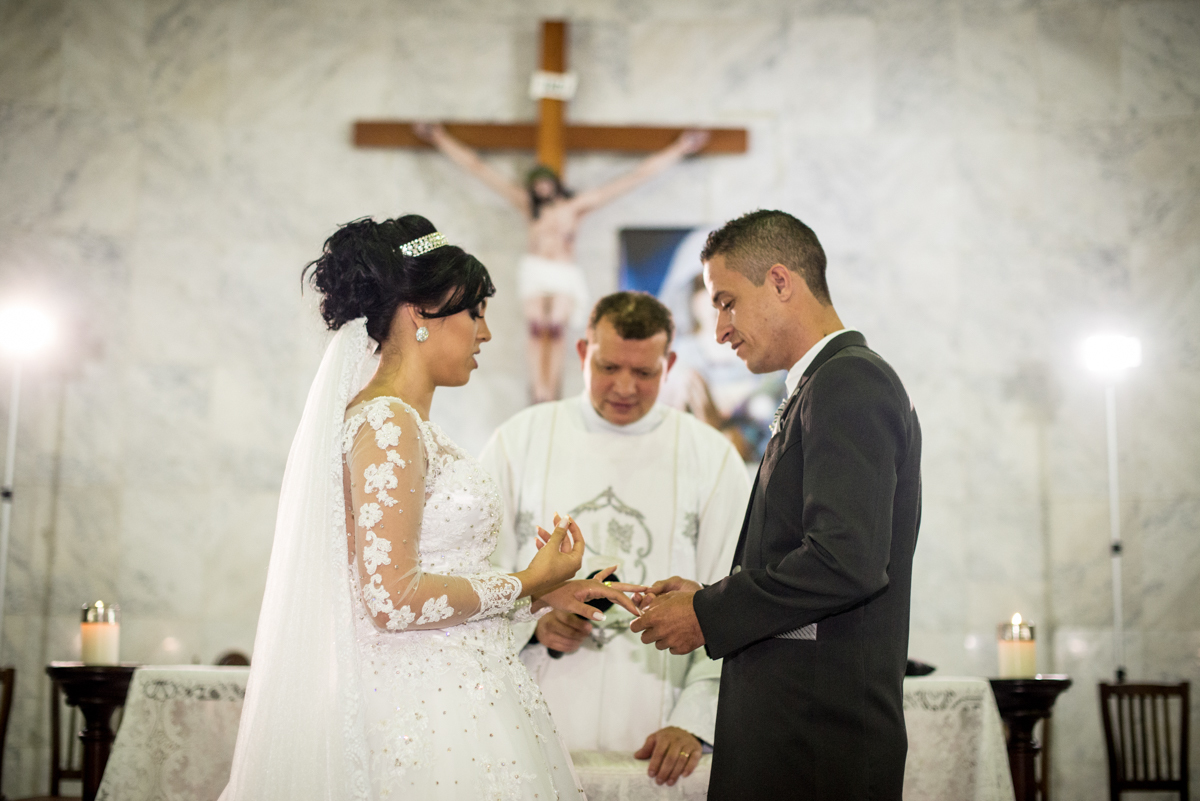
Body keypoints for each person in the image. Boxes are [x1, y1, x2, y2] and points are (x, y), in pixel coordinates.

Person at [219, 215, 645, 800]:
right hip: (418, 715)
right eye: (475, 312)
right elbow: (392, 598)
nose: (485, 334)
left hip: (455, 691)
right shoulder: (388, 424)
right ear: (421, 312)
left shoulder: (405, 425)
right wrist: (527, 580)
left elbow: (422, 580)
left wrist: (543, 595)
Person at [631, 210, 923, 801]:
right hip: (798, 733)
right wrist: (707, 594)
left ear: (781, 282)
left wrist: (708, 613)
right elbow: (811, 556)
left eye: (727, 302)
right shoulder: (823, 384)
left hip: (817, 745)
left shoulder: (848, 383)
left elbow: (845, 560)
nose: (719, 330)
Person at [480, 291, 750, 788]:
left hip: (656, 727)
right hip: (532, 711)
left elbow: (731, 596)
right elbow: (477, 574)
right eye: (608, 367)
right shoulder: (520, 441)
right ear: (584, 353)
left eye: (644, 372)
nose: (625, 387)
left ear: (669, 365)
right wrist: (534, 625)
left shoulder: (710, 458)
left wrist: (695, 721)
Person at [413, 122, 709, 402]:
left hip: (563, 272)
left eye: (546, 182)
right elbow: (480, 170)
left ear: (555, 183)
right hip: (536, 270)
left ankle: (550, 390)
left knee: (555, 329)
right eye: (536, 183)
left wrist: (680, 148)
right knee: (536, 328)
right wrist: (439, 137)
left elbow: (630, 180)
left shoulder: (574, 208)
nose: (542, 188)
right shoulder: (528, 207)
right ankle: (538, 388)